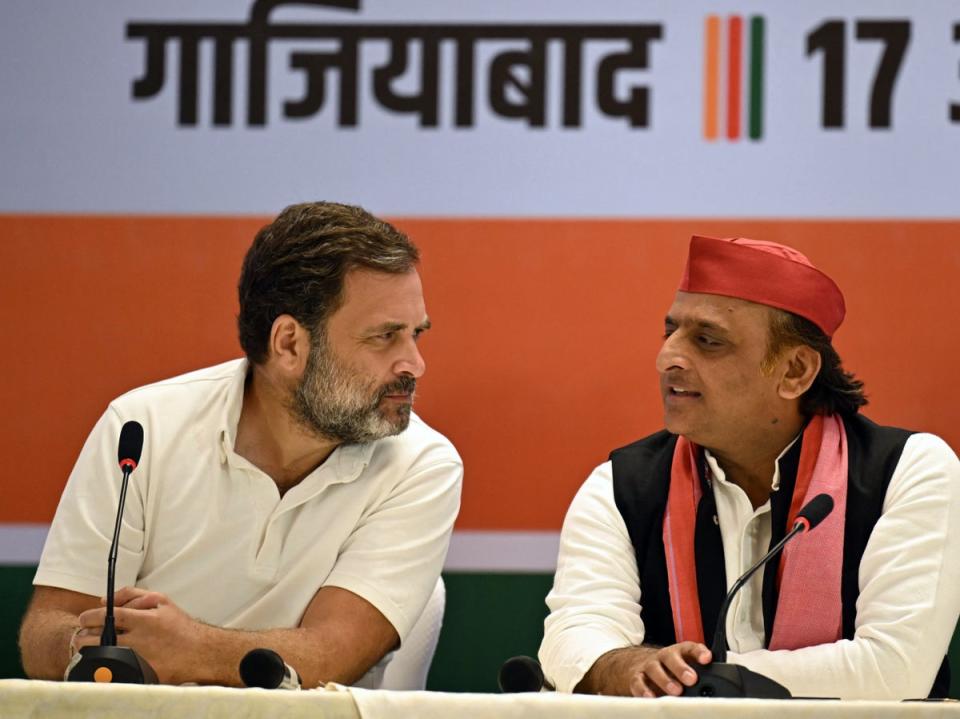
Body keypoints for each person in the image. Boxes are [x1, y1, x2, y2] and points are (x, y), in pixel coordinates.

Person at [18, 201, 462, 688]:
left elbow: (333, 654)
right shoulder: (143, 427)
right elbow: (47, 627)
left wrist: (191, 649)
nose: (414, 363)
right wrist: (89, 648)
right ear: (289, 343)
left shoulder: (421, 464)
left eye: (416, 334)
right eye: (384, 337)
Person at [539, 235, 960, 700]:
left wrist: (702, 680)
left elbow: (894, 670)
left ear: (795, 371)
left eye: (708, 341)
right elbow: (573, 638)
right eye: (670, 333)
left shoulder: (908, 472)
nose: (667, 359)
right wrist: (627, 667)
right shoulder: (622, 485)